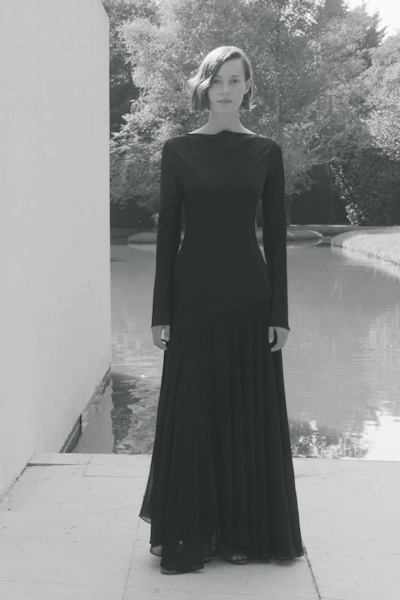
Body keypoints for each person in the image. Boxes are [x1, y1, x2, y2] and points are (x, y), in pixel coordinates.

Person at [139, 45, 304, 575]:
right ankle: (192, 532)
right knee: (194, 415)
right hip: (192, 302)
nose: (226, 90)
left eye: (236, 80)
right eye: (217, 80)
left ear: (248, 87)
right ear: (204, 86)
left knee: (244, 419)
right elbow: (168, 234)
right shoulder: (178, 151)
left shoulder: (267, 153)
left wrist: (280, 313)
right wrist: (160, 311)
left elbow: (275, 235)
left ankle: (240, 534)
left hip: (251, 301)